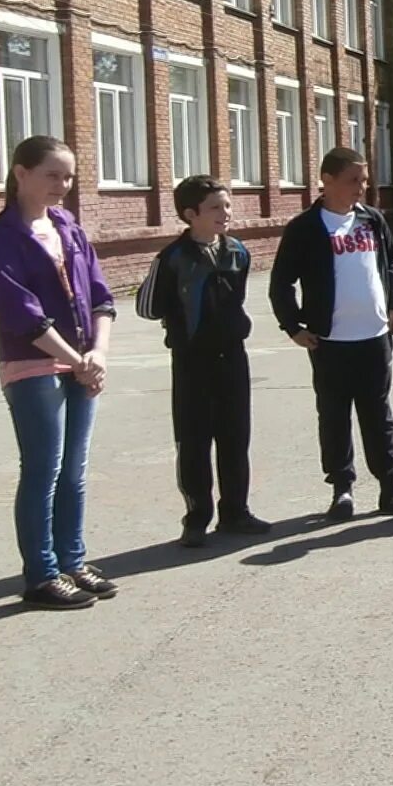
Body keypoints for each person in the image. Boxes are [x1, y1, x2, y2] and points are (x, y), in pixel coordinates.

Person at [0, 135, 119, 608]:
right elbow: (20, 312)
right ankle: (41, 573)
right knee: (43, 469)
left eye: (69, 175)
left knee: (74, 471)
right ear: (21, 174)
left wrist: (97, 353)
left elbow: (100, 295)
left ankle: (72, 560)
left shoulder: (67, 227)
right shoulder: (1, 236)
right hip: (33, 361)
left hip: (82, 361)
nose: (63, 185)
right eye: (52, 175)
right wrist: (77, 361)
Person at [268, 146, 393, 519]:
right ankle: (342, 490)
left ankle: (392, 488)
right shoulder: (306, 228)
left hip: (374, 337)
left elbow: (389, 263)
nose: (362, 187)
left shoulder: (371, 220)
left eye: (365, 179)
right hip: (330, 341)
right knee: (334, 416)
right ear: (327, 180)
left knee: (378, 414)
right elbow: (281, 283)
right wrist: (294, 327)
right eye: (354, 180)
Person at [134, 175, 270, 547]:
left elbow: (237, 298)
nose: (224, 213)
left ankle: (236, 512)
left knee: (235, 435)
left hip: (233, 358)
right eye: (215, 208)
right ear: (190, 214)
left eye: (227, 206)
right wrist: (178, 323)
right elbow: (147, 306)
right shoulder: (173, 258)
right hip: (192, 361)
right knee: (194, 440)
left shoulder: (237, 252)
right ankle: (197, 517)